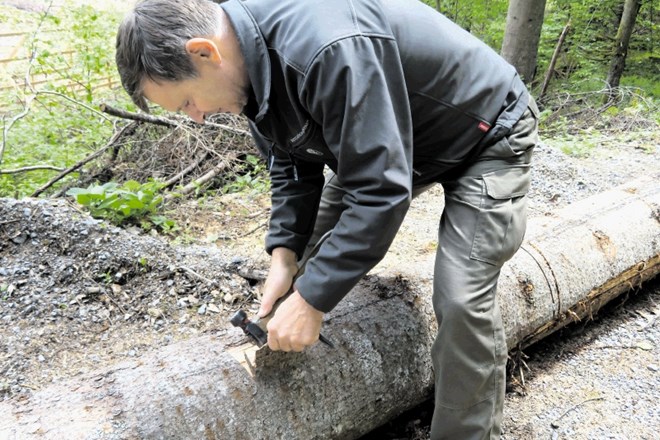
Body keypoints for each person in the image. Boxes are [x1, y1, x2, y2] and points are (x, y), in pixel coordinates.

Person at [115, 0, 539, 438]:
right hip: (394, 143)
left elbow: (380, 193)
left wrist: (313, 300)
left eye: (187, 101)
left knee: (461, 295)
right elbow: (291, 162)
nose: (197, 117)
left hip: (486, 131)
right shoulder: (249, 65)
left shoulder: (326, 47)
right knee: (305, 259)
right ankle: (295, 367)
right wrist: (285, 254)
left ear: (205, 52)